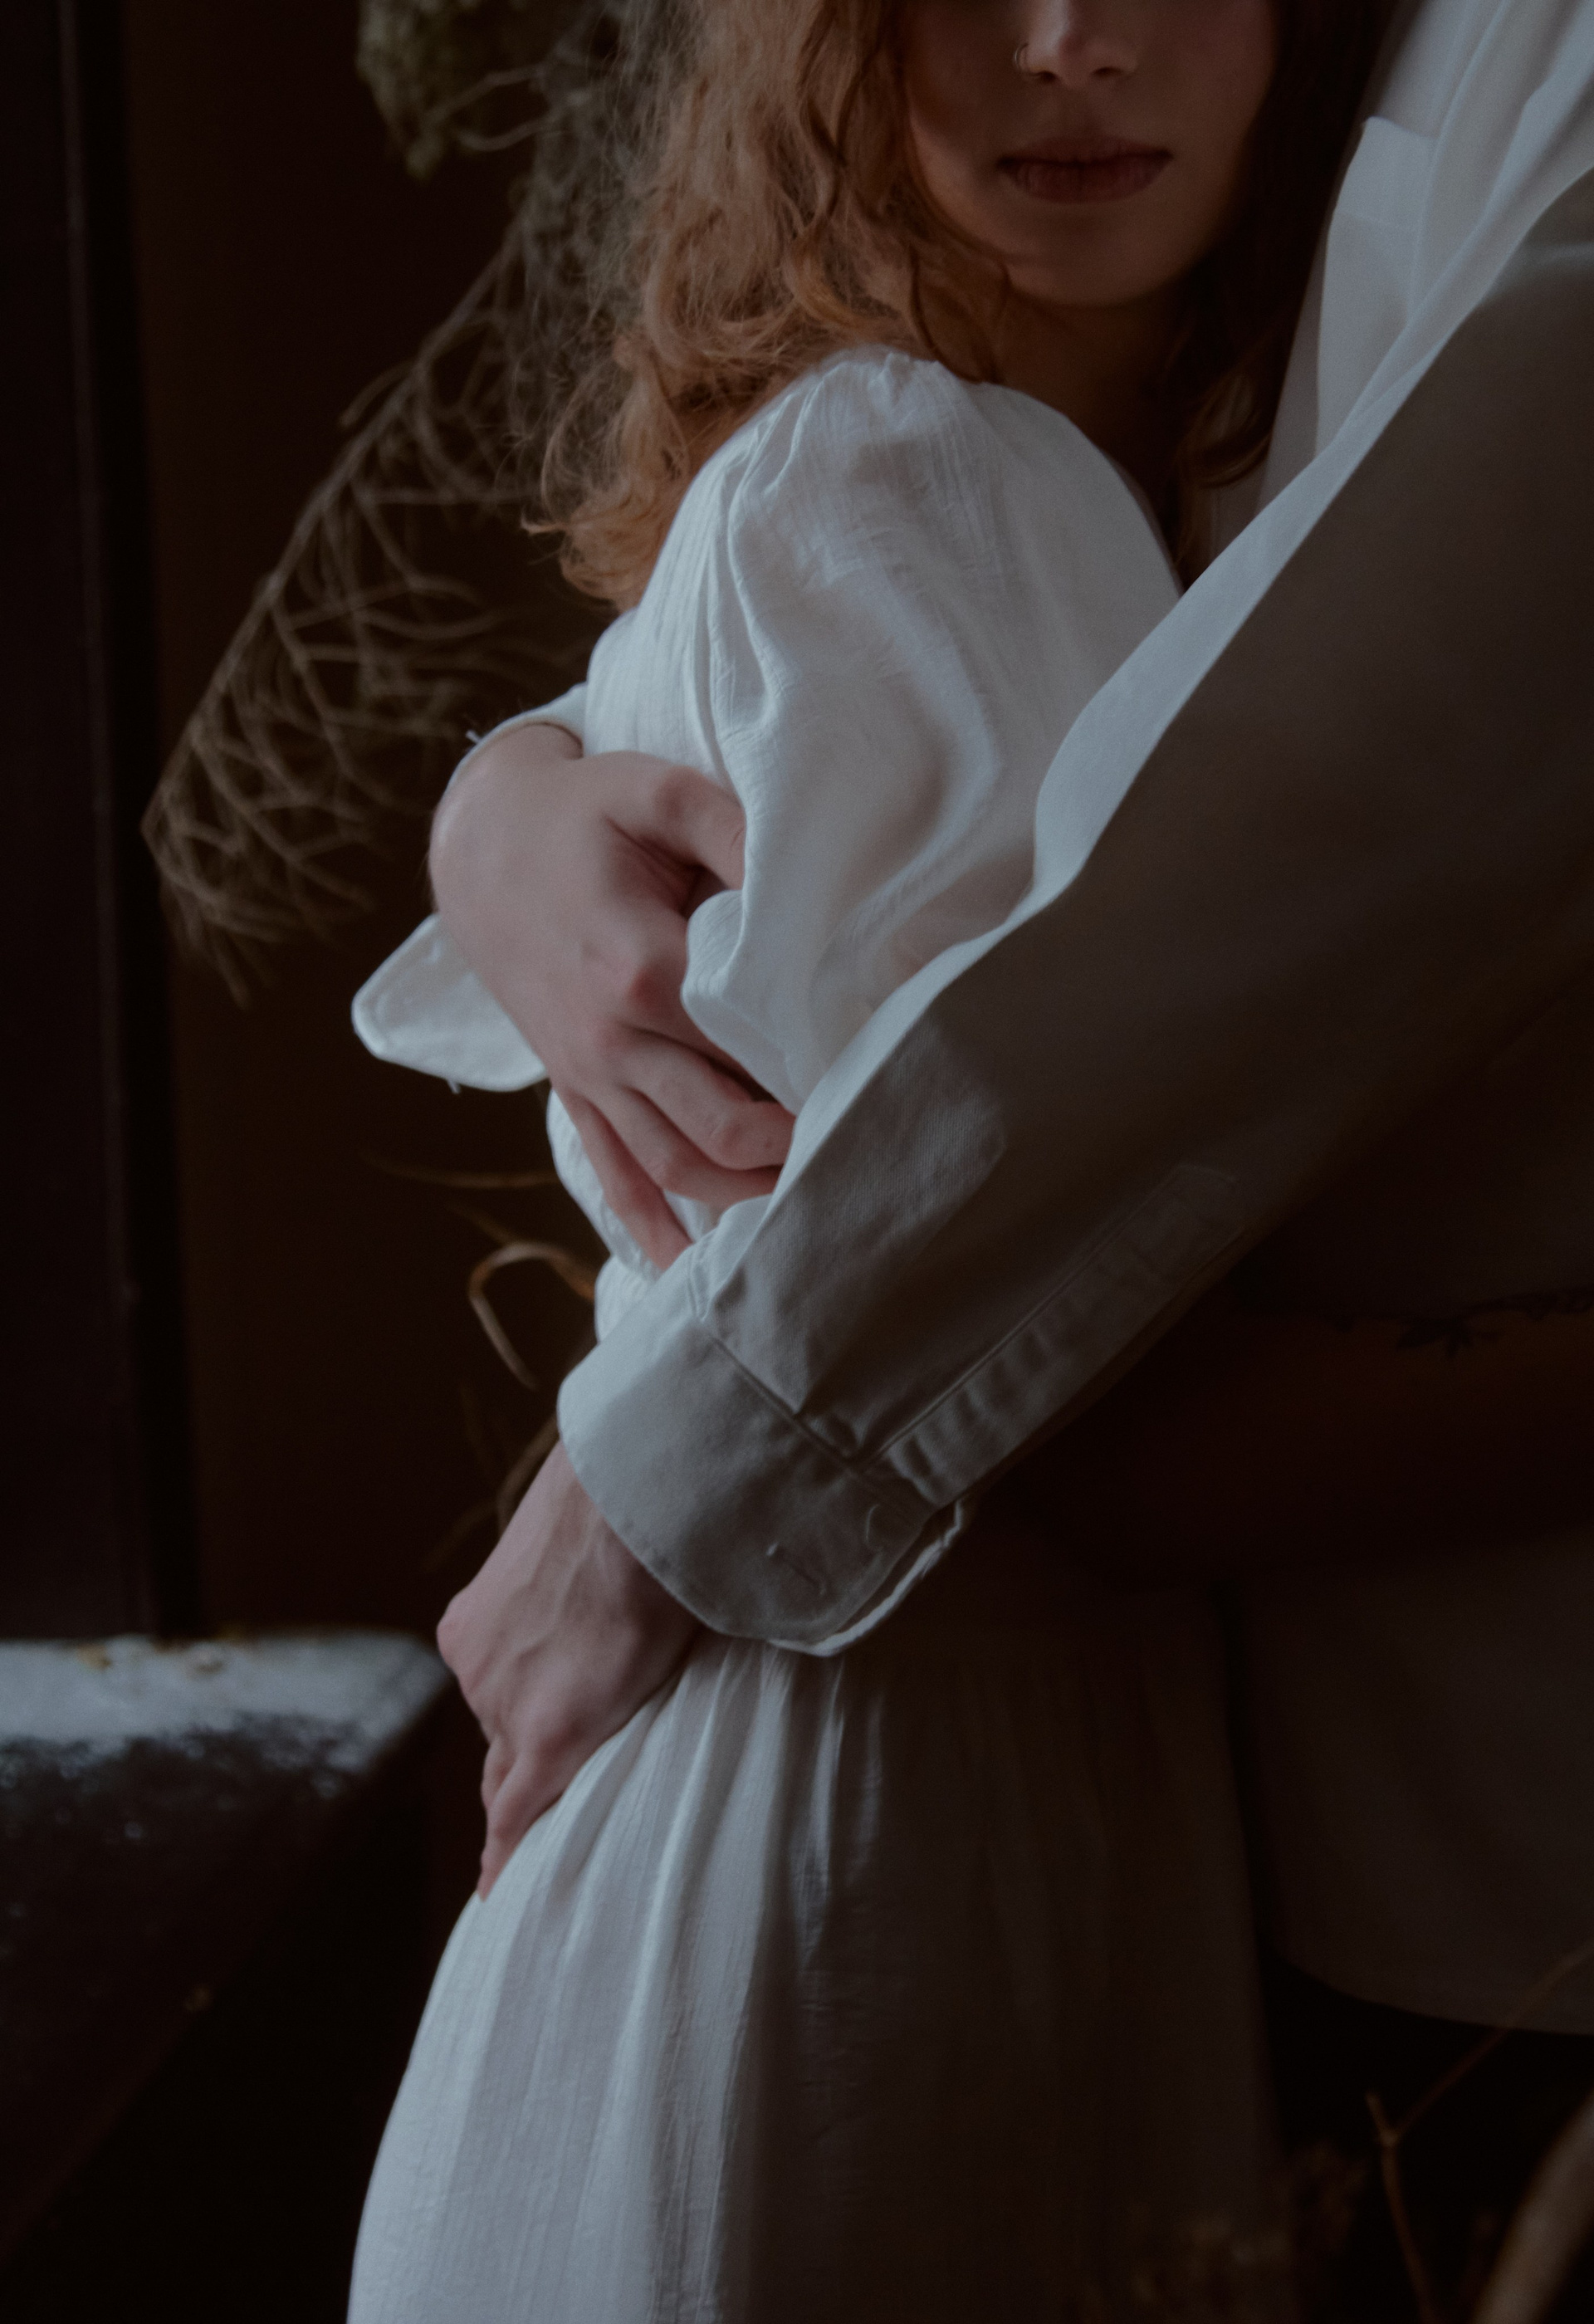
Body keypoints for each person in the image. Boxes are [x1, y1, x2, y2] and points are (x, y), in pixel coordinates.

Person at [419, 0, 1594, 2307]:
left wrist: (506, 798)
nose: (1074, 38)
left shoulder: (1030, 441)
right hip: (894, 1789)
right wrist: (506, 802)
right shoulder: (941, 470)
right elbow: (1108, 1427)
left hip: (1073, 1759)